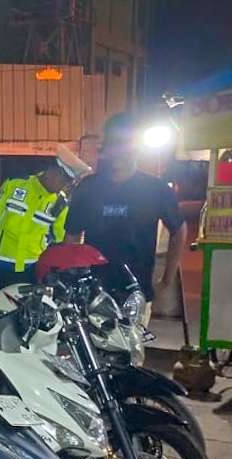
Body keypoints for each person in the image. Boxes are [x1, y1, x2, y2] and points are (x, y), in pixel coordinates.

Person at [65, 113, 187, 325]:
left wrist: (167, 279)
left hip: (136, 294)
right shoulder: (88, 188)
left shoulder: (155, 189)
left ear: (136, 148)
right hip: (94, 294)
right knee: (93, 346)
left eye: (125, 143)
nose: (118, 150)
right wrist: (71, 279)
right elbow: (72, 237)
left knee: (131, 346)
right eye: (113, 143)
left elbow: (179, 230)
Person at [0, 163, 74, 291]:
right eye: (62, 182)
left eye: (67, 185)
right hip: (1, 262)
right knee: (1, 301)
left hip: (30, 266)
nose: (62, 188)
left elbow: (58, 237)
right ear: (51, 172)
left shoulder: (60, 203)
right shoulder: (15, 184)